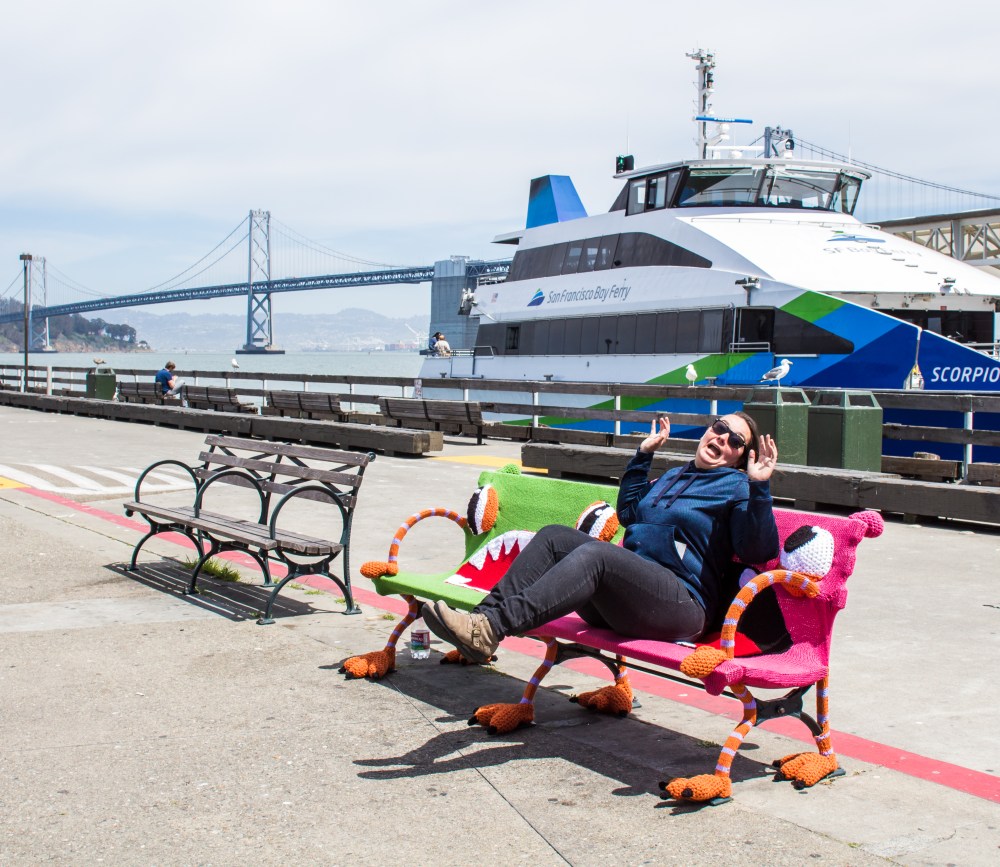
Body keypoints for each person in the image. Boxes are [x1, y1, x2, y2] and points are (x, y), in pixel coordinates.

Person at [421, 412, 780, 663]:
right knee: (554, 537)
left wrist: (760, 488)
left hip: (680, 605)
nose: (721, 438)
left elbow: (758, 550)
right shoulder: (674, 475)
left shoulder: (735, 487)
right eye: (720, 427)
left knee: (598, 555)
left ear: (739, 458)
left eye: (734, 440)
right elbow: (629, 514)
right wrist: (643, 456)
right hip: (628, 599)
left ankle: (491, 629)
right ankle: (482, 623)